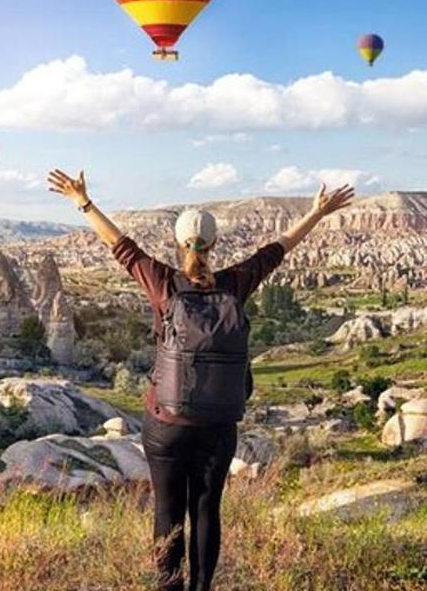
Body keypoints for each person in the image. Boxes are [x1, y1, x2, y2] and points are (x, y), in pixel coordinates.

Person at [47, 169, 354, 591]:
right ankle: (202, 588)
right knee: (207, 509)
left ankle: (167, 586)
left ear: (177, 243)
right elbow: (277, 249)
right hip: (217, 424)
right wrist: (317, 213)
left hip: (166, 423)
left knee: (166, 511)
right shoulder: (235, 283)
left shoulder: (163, 284)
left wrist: (83, 202)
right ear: (214, 245)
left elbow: (121, 247)